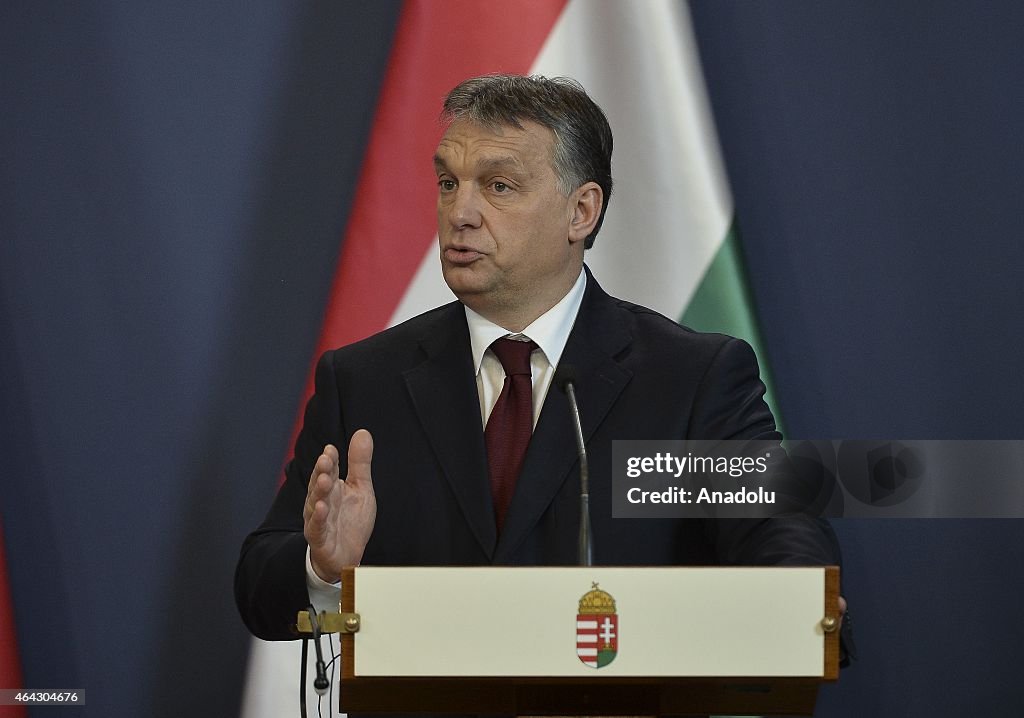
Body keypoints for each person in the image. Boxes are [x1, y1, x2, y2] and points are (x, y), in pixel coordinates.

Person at [235, 74, 847, 649]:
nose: (460, 212)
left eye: (498, 186)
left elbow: (780, 532)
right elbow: (261, 586)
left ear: (581, 212)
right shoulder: (365, 380)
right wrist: (324, 568)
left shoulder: (689, 380)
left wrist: (794, 597)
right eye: (448, 182)